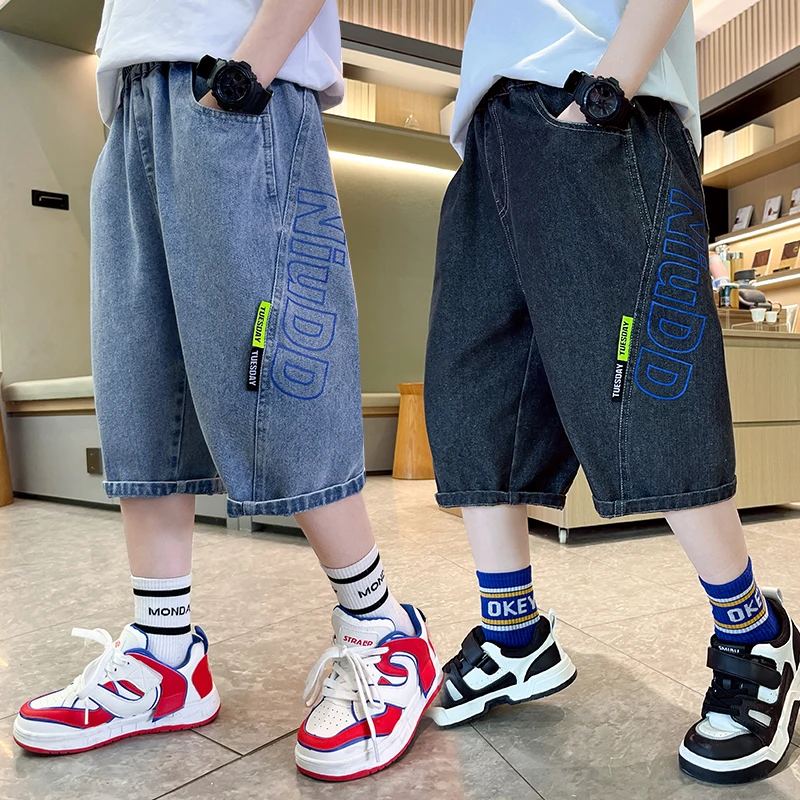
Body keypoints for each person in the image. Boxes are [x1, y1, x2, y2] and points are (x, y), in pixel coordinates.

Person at [12, 0, 441, 781]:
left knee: (282, 381)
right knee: (142, 385)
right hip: (133, 101)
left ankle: (384, 630)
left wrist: (244, 75)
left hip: (234, 82)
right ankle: (164, 652)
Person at [424, 0, 799, 785]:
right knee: (477, 395)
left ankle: (755, 635)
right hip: (491, 133)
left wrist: (604, 93)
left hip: (599, 105)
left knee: (652, 397)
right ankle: (513, 636)